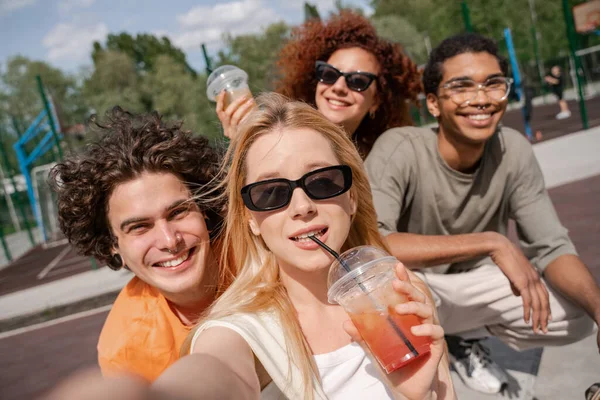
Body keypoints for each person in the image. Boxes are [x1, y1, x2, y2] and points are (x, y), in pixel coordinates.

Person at [45, 93, 456, 400]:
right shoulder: (241, 329)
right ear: (248, 218)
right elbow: (218, 368)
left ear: (351, 195)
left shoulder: (403, 290)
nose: (303, 206)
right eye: (271, 192)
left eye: (323, 181)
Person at [365, 33, 599, 394]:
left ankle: (464, 336)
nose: (480, 99)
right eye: (461, 87)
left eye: (493, 84)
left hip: (474, 286)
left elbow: (552, 246)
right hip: (418, 285)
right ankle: (436, 354)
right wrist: (492, 242)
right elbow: (375, 243)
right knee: (394, 292)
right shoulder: (401, 148)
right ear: (433, 103)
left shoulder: (513, 151)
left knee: (578, 318)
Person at [49, 107, 228, 382]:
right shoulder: (124, 350)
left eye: (178, 212)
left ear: (203, 210)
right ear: (112, 244)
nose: (170, 241)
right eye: (140, 227)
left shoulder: (263, 256)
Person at [217, 11, 421, 158]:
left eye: (357, 81)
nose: (339, 87)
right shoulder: (281, 142)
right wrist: (245, 147)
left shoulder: (386, 160)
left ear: (376, 100)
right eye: (329, 74)